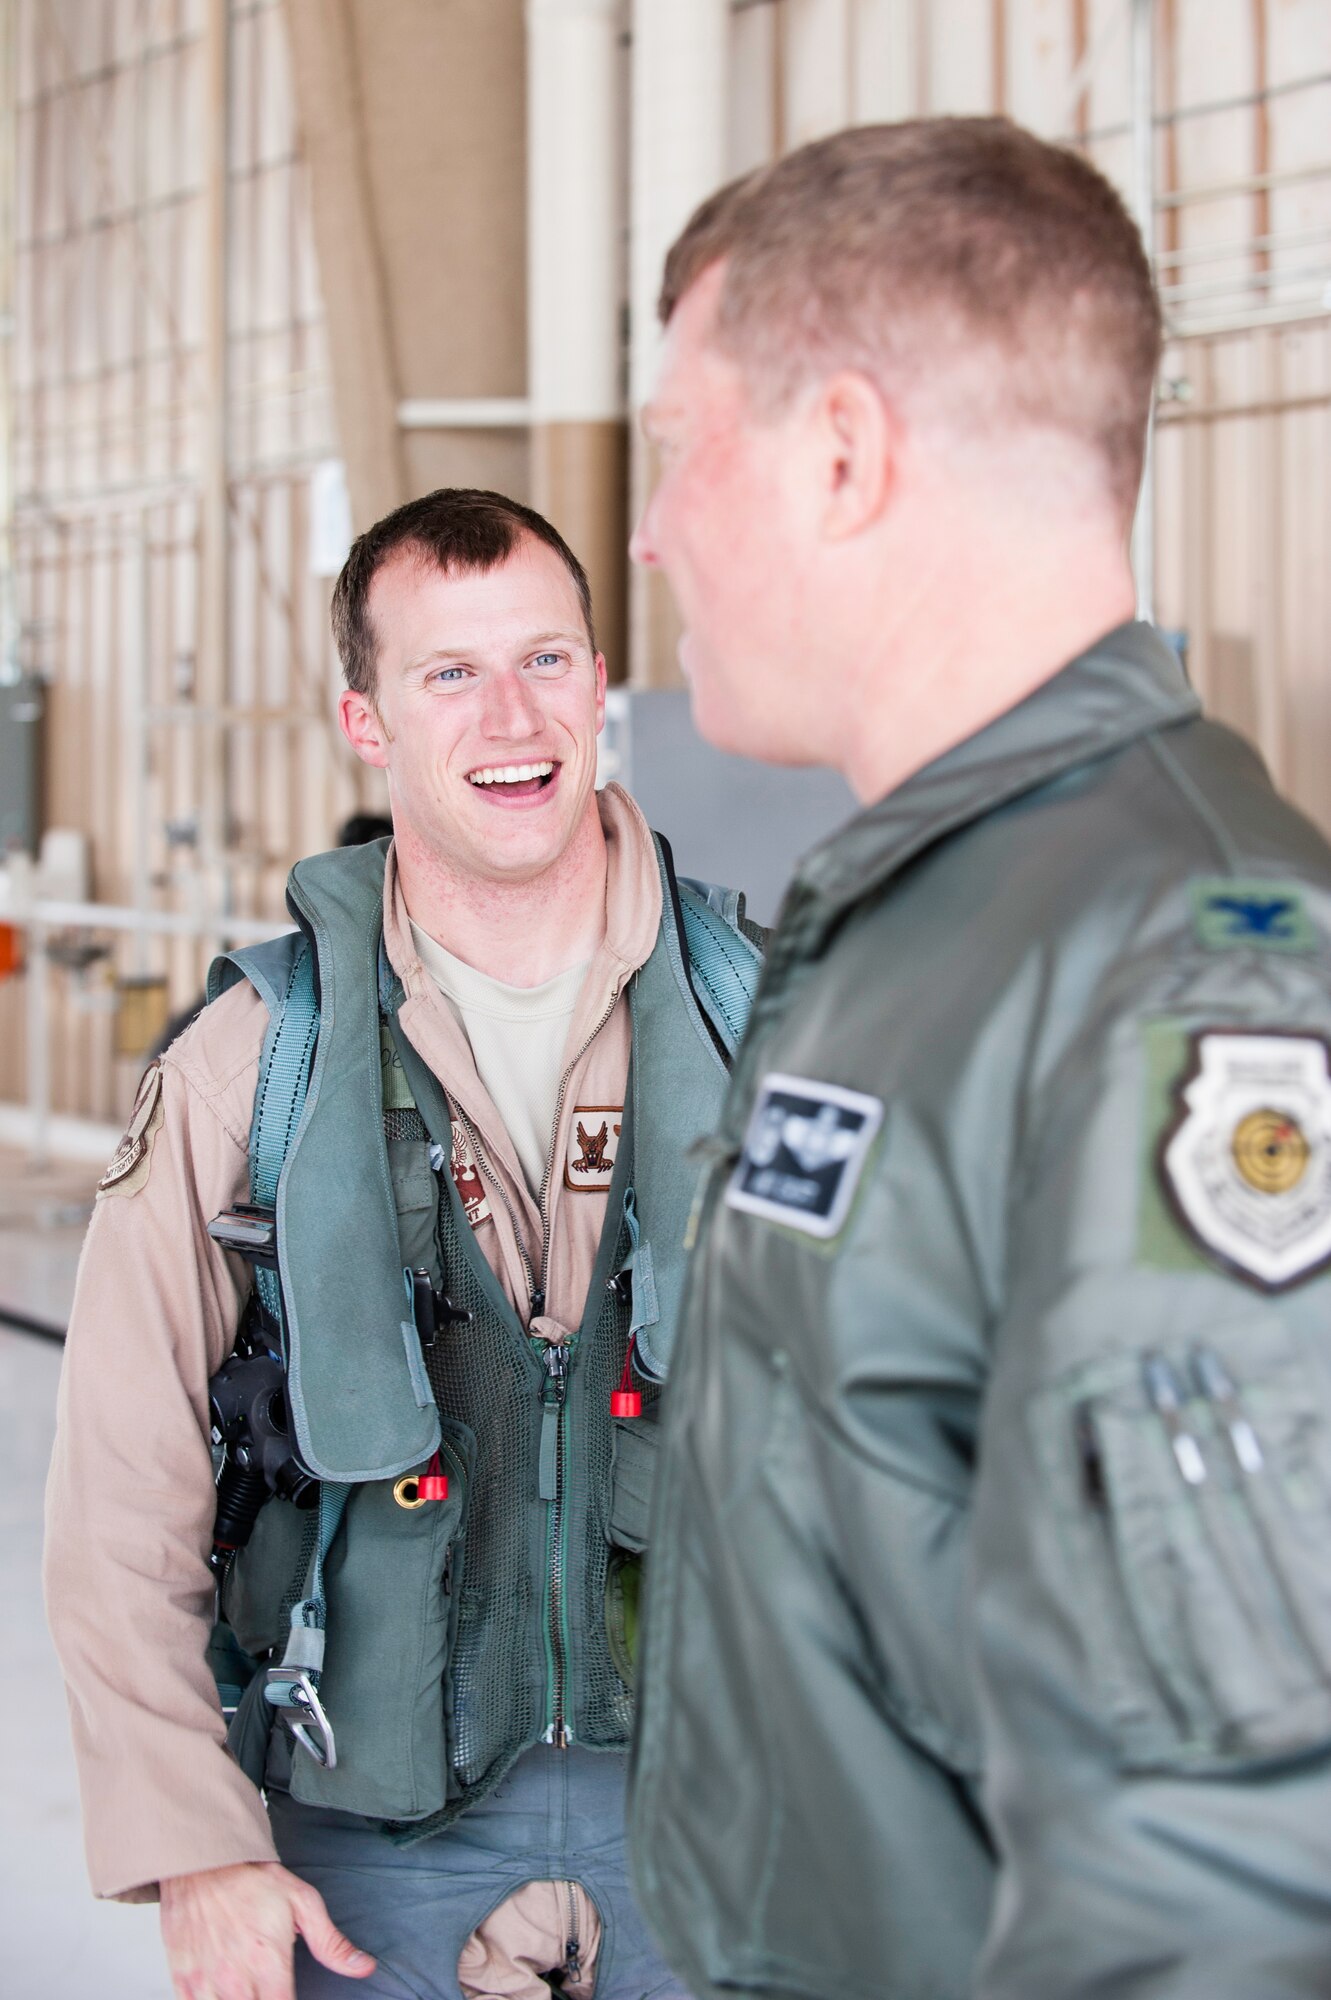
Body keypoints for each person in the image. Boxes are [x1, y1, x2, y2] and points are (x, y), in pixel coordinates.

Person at [626, 117, 1331, 1998]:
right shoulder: (919, 911)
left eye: (677, 455)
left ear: (844, 454)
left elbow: (1233, 1841)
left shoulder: (1188, 962)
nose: (649, 530)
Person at [46, 487, 762, 1999]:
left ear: (597, 684)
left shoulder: (770, 1024)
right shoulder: (256, 1066)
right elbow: (122, 1486)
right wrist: (195, 1842)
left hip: (724, 1813)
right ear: (365, 720)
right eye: (450, 673)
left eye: (547, 661)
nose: (515, 716)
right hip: (366, 1831)